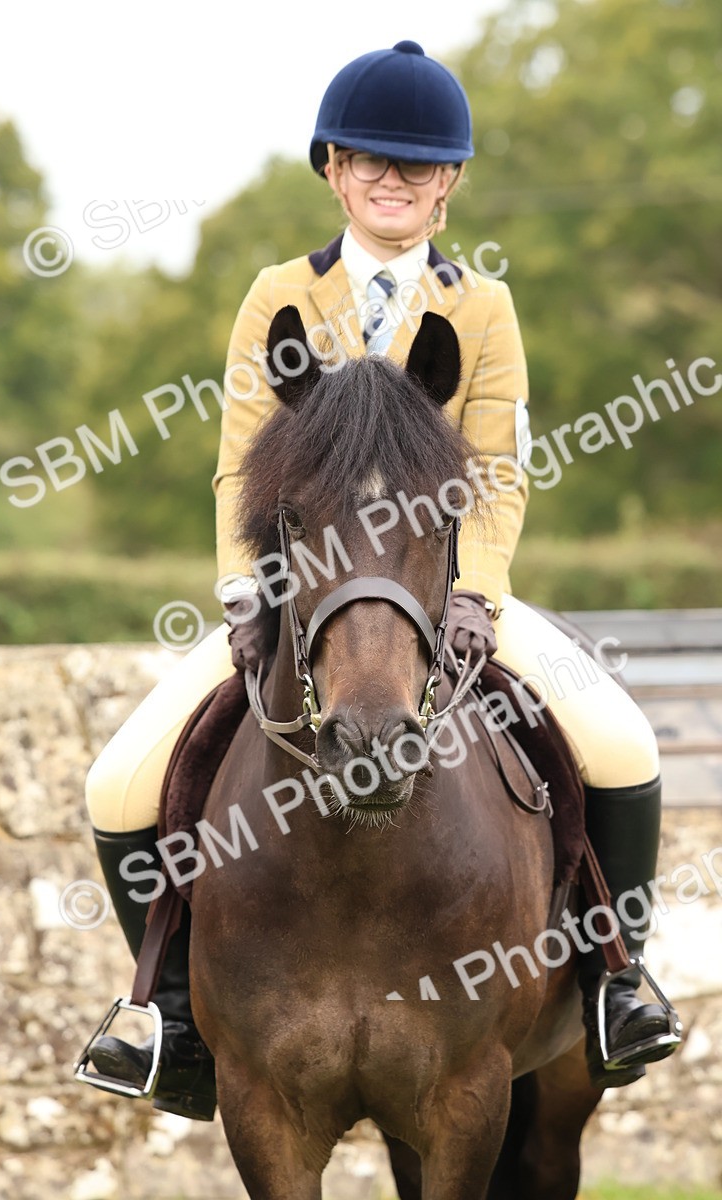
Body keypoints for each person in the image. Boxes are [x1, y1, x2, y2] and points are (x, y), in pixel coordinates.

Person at [80, 41, 681, 1118]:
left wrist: (474, 597)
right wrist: (242, 592)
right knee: (121, 780)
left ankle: (614, 989)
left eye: (415, 165)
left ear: (447, 182)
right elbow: (238, 466)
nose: (391, 180)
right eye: (369, 160)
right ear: (332, 169)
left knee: (621, 747)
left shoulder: (481, 308)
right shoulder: (276, 297)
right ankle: (165, 1015)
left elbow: (495, 473)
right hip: (296, 599)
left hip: (443, 592)